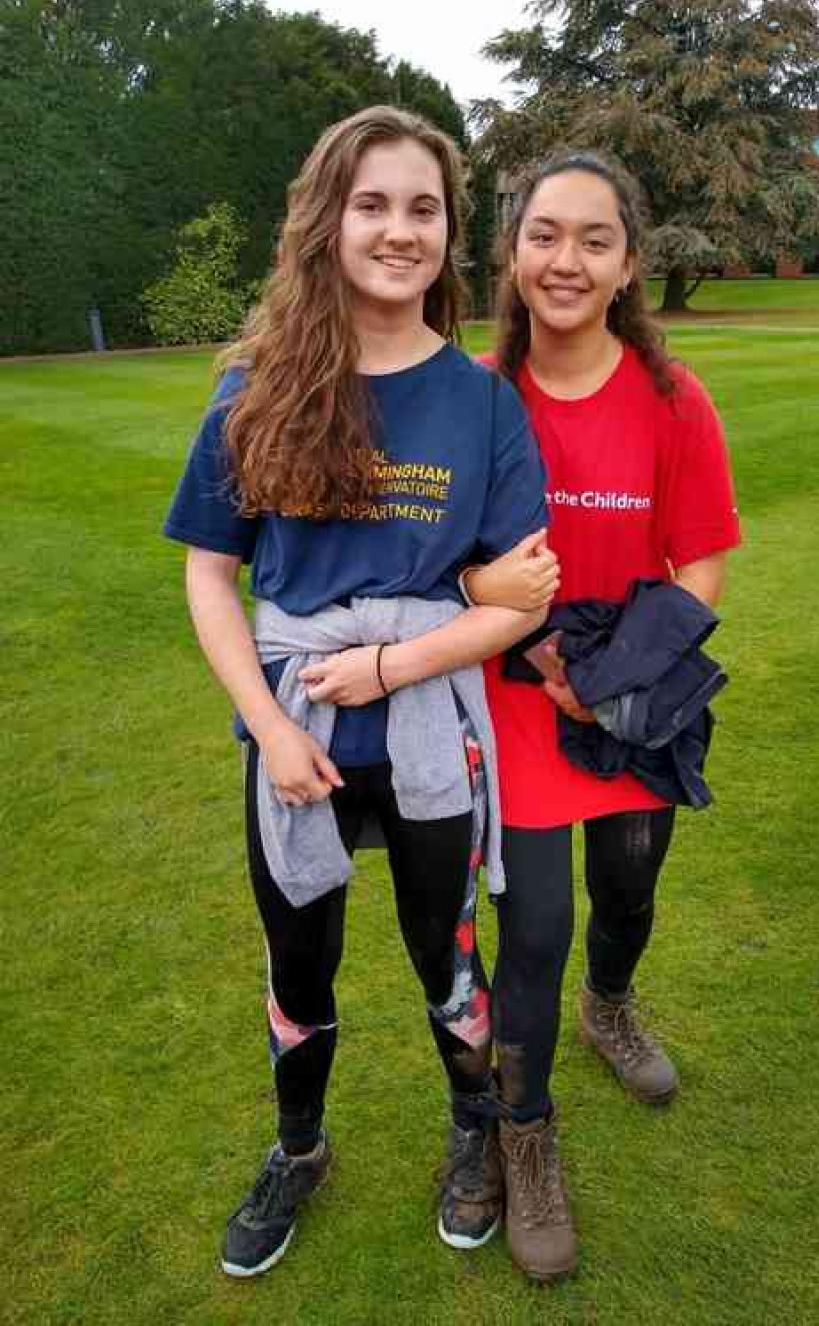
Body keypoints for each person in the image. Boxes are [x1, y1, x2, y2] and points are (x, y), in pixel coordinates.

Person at [163, 106, 550, 1278]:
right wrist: (274, 727)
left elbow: (519, 596)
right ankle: (297, 1147)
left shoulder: (481, 401)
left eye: (423, 207)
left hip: (430, 727)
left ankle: (474, 1132)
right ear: (326, 221)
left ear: (447, 231)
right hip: (297, 740)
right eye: (372, 205)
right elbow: (209, 573)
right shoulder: (256, 387)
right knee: (299, 960)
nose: (399, 231)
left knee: (446, 951)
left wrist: (391, 664)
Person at [460, 152, 741, 1282]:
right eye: (542, 235)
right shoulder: (478, 398)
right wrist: (533, 647)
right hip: (518, 714)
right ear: (513, 252)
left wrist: (617, 677)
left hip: (633, 711)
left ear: (628, 262)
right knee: (530, 934)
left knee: (629, 889)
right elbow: (449, 563)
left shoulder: (674, 399)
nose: (563, 260)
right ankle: (525, 1138)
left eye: (591, 239)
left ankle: (611, 1009)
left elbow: (705, 558)